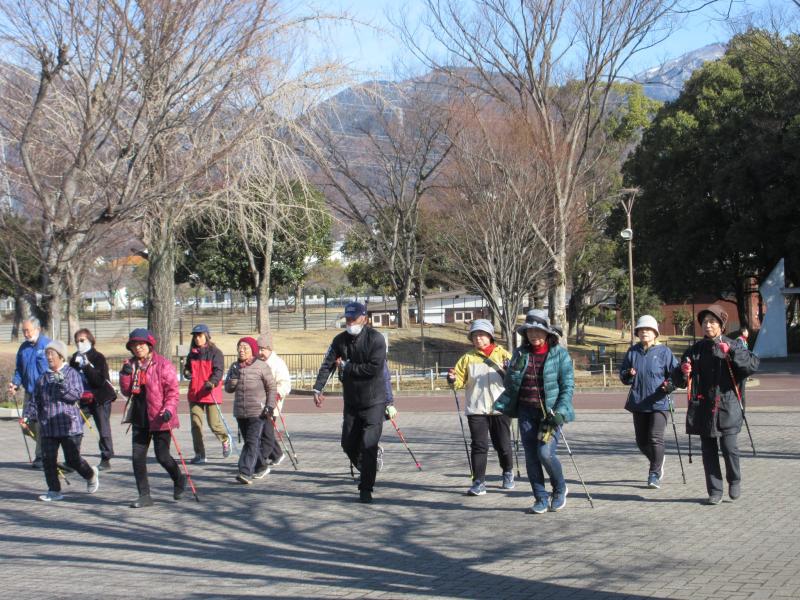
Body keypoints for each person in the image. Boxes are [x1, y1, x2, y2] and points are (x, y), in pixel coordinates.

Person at [312, 301, 395, 504]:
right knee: (348, 443)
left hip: (374, 400)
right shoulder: (339, 340)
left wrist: (347, 367)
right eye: (347, 319)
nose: (350, 323)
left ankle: (366, 487)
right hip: (351, 401)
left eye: (354, 319)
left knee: (368, 444)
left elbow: (373, 369)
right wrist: (318, 388)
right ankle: (368, 465)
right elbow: (328, 364)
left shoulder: (376, 340)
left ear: (364, 319)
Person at [677, 304, 759, 505]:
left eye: (712, 321)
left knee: (729, 447)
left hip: (728, 406)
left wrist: (731, 352)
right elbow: (679, 379)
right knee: (708, 452)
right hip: (703, 409)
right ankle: (714, 490)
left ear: (722, 325)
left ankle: (735, 480)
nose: (707, 325)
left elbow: (752, 365)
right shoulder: (694, 350)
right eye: (704, 322)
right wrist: (683, 371)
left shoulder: (733, 344)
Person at [495, 309, 574, 514]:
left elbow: (567, 386)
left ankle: (559, 488)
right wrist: (512, 370)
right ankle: (540, 497)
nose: (534, 335)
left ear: (548, 333)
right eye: (530, 331)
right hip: (526, 412)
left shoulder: (560, 355)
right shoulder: (520, 354)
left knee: (545, 453)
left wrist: (560, 411)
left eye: (538, 331)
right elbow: (510, 385)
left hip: (550, 414)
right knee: (531, 457)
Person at [20, 340, 99, 502]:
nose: (49, 357)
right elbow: (35, 401)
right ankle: (54, 490)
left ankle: (90, 474)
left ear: (61, 356)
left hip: (69, 426)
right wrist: (27, 417)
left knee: (73, 460)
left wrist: (62, 384)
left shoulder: (71, 374)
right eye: (47, 354)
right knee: (48, 459)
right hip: (48, 426)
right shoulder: (43, 378)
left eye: (52, 354)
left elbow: (75, 396)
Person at [447, 319, 514, 496]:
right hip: (476, 408)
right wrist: (452, 380)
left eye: (482, 335)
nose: (478, 338)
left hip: (501, 408)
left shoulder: (504, 355)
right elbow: (459, 382)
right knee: (478, 446)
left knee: (503, 445)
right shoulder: (467, 358)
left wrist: (510, 371)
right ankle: (478, 482)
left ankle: (507, 472)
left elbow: (515, 378)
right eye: (475, 335)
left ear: (490, 336)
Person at [119, 329, 185, 508]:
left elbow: (173, 391)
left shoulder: (163, 364)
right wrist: (125, 375)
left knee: (162, 456)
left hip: (160, 417)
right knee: (137, 457)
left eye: (141, 344)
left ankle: (179, 479)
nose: (138, 348)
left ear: (149, 345)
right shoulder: (130, 365)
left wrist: (169, 409)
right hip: (140, 417)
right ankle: (144, 495)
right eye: (134, 345)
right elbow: (126, 391)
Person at [619, 315, 679, 489]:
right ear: (637, 333)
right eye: (641, 329)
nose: (644, 332)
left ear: (655, 333)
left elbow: (676, 376)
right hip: (639, 401)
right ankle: (658, 459)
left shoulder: (664, 352)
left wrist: (670, 385)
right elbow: (623, 376)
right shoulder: (633, 351)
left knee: (655, 437)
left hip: (660, 401)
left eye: (648, 329)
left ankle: (654, 473)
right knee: (641, 441)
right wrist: (628, 375)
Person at [224, 337, 277, 484]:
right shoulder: (235, 366)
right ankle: (261, 466)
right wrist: (233, 379)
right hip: (241, 412)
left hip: (258, 412)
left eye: (245, 348)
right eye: (239, 348)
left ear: (252, 350)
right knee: (249, 441)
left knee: (252, 441)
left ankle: (244, 471)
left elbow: (272, 388)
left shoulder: (261, 366)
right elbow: (228, 388)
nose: (241, 351)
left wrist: (270, 406)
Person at [69, 328, 116, 471]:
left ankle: (106, 457)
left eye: (82, 340)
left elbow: (99, 381)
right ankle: (72, 458)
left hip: (99, 398)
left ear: (90, 340)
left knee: (103, 428)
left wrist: (87, 366)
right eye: (77, 341)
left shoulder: (98, 357)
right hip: (82, 399)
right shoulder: (74, 358)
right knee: (73, 427)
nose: (79, 344)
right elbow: (71, 378)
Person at [183, 324, 230, 464]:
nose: (197, 338)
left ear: (207, 336)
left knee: (214, 424)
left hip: (210, 392)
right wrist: (186, 373)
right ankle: (200, 454)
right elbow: (187, 369)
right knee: (195, 425)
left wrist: (212, 382)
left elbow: (218, 371)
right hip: (195, 393)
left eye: (200, 335)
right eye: (195, 336)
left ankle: (225, 439)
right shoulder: (192, 353)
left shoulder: (216, 352)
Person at [9, 317, 51, 469]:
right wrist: (15, 383)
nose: (26, 334)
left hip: (44, 394)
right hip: (29, 393)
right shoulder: (23, 348)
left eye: (28, 330)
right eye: (23, 331)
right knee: (25, 425)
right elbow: (19, 369)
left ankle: (40, 456)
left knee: (40, 425)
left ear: (37, 329)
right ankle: (47, 445)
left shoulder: (47, 345)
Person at [257, 332, 292, 467]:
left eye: (262, 349)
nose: (260, 352)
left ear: (269, 348)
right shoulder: (258, 362)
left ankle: (259, 459)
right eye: (258, 349)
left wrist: (276, 394)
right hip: (258, 401)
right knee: (266, 431)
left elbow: (285, 384)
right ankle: (277, 454)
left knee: (266, 432)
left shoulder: (278, 363)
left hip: (272, 403)